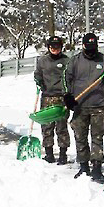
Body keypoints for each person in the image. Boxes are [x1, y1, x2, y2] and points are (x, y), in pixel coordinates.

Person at [63, 33, 104, 182]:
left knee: (97, 137)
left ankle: (97, 167)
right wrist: (67, 96)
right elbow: (66, 79)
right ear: (83, 46)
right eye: (88, 49)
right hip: (79, 105)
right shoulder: (75, 61)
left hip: (98, 105)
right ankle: (83, 166)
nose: (91, 52)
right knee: (80, 136)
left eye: (93, 49)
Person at [34, 36, 71, 164]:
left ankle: (63, 154)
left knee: (61, 126)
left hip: (62, 97)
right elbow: (37, 73)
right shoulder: (43, 61)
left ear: (61, 47)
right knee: (47, 126)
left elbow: (72, 77)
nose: (55, 49)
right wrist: (39, 81)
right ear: (48, 47)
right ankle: (49, 154)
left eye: (57, 47)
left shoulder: (67, 61)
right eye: (52, 47)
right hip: (47, 97)